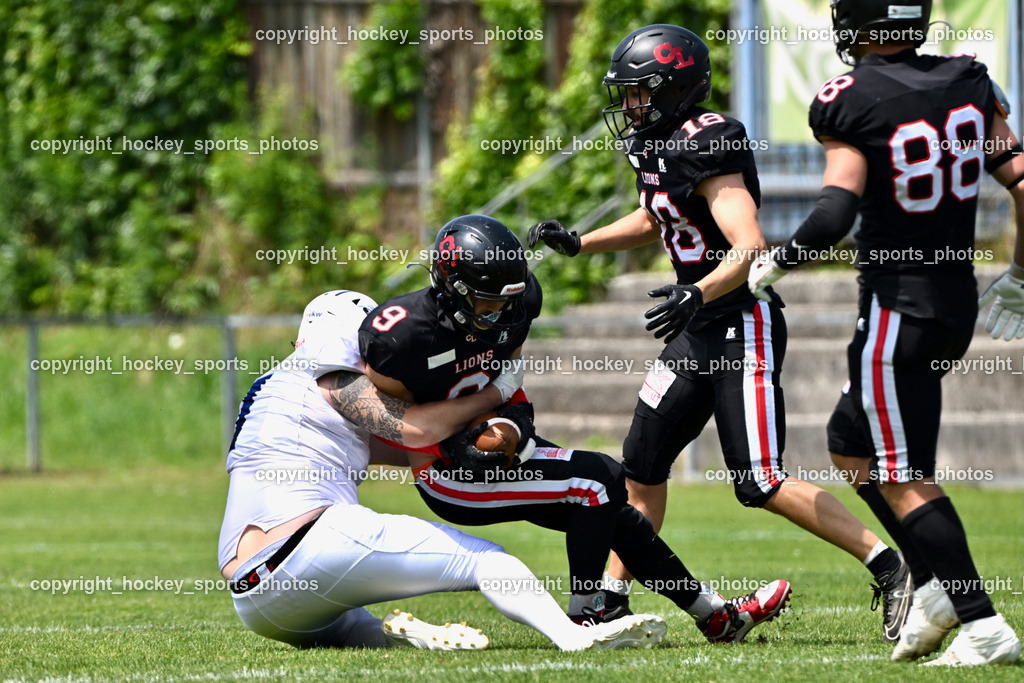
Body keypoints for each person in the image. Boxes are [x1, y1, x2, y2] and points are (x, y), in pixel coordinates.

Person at [529, 23, 912, 642]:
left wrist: (696, 291)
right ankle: (611, 601)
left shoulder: (709, 141)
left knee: (759, 482)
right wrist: (582, 242)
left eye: (639, 92)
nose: (630, 105)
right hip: (696, 328)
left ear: (674, 88)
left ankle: (892, 565)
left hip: (740, 324)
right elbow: (658, 216)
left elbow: (749, 245)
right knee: (641, 469)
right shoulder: (655, 145)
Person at [358, 213, 791, 644]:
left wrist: (515, 419)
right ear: (453, 289)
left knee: (612, 511)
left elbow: (507, 378)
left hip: (496, 440)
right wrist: (453, 443)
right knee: (600, 479)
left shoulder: (517, 302)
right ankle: (586, 615)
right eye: (488, 302)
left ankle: (715, 617)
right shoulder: (399, 337)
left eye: (507, 300)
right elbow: (400, 426)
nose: (502, 312)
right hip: (447, 472)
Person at [747, 0, 1023, 667]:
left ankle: (982, 624)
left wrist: (779, 259)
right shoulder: (969, 79)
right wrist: (1019, 273)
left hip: (898, 311)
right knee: (849, 442)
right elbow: (1021, 178)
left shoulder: (850, 96)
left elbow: (835, 211)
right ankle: (932, 588)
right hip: (954, 302)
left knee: (904, 475)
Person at [217, 288, 670, 652]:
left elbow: (403, 446)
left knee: (353, 629)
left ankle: (418, 637)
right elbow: (417, 430)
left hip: (254, 600)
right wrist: (497, 393)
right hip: (310, 547)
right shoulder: (332, 376)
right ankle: (573, 635)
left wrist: (486, 445)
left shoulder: (272, 393)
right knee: (486, 560)